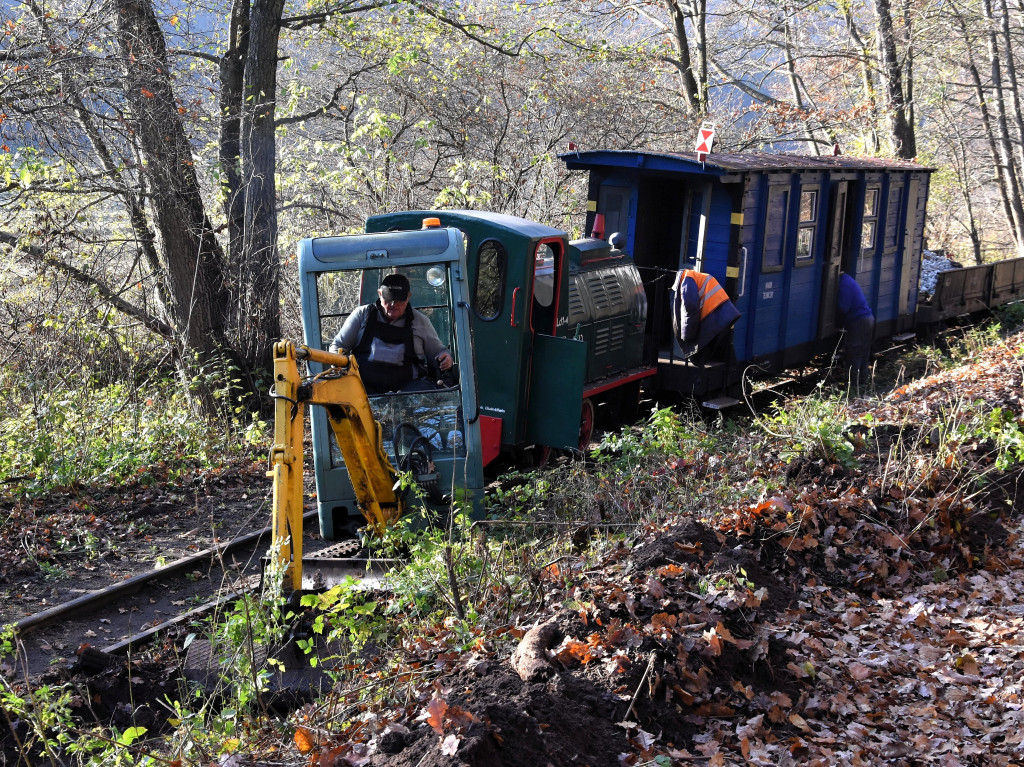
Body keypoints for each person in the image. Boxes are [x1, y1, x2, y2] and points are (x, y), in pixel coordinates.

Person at [329, 273, 453, 394]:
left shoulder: (421, 322)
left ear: (408, 297)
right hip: (364, 392)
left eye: (399, 300)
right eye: (389, 299)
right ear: (379, 294)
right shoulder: (362, 315)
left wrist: (445, 358)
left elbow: (438, 352)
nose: (393, 304)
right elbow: (337, 347)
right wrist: (339, 365)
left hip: (410, 394)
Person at [837, 272, 875, 391]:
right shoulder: (848, 280)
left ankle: (853, 386)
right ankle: (863, 383)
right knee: (863, 352)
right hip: (866, 319)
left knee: (854, 353)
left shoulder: (844, 283)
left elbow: (843, 307)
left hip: (859, 321)